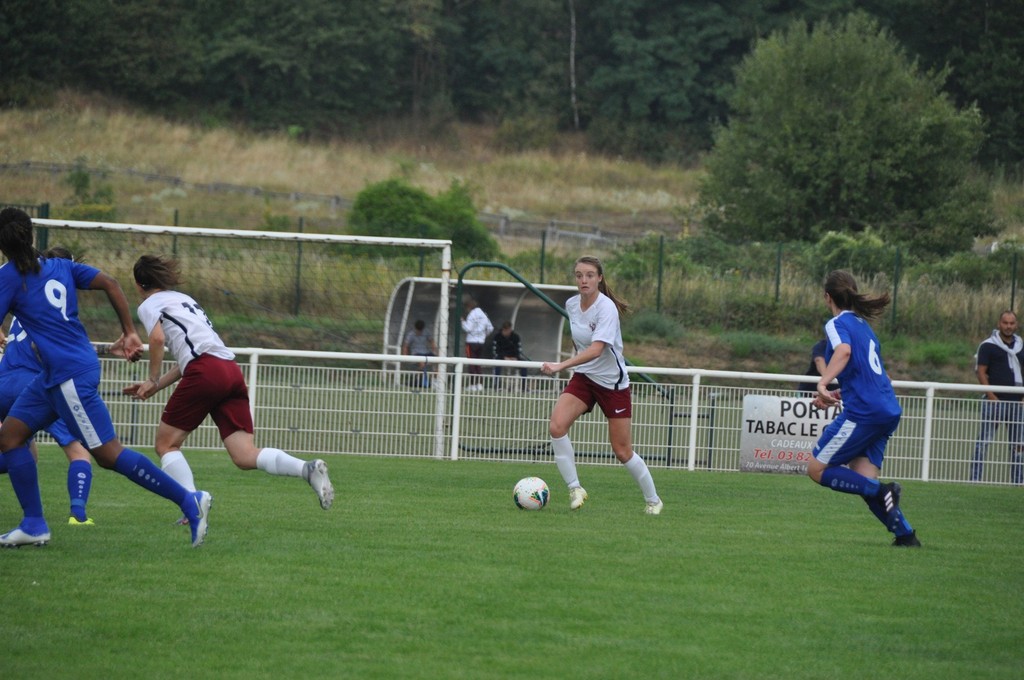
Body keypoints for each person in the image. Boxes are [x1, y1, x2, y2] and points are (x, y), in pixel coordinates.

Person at [0, 207, 211, 548]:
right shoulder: (60, 266)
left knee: (108, 454)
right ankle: (34, 523)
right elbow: (110, 283)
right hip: (55, 376)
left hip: (68, 377)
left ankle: (190, 500)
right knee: (10, 437)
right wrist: (128, 331)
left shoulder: (8, 276)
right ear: (31, 233)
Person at [122, 255, 335, 514]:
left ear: (138, 285)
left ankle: (193, 505)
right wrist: (157, 386)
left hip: (205, 371)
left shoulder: (149, 304)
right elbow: (188, 359)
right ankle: (306, 469)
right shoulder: (186, 300)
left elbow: (156, 339)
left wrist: (152, 378)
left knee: (166, 445)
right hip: (229, 370)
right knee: (244, 455)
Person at [540, 256, 663, 515]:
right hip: (584, 378)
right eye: (578, 275)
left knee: (621, 450)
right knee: (556, 426)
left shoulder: (606, 308)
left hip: (612, 384)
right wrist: (573, 368)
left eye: (589, 275)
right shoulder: (572, 304)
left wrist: (561, 366)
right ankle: (575, 488)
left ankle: (653, 500)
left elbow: (596, 349)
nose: (583, 280)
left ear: (599, 278)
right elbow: (581, 345)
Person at [807, 270, 919, 547]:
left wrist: (822, 383)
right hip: (887, 409)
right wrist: (835, 392)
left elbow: (843, 352)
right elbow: (876, 376)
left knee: (816, 469)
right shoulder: (864, 327)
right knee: (861, 477)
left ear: (827, 297)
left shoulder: (837, 323)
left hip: (864, 412)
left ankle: (884, 490)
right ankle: (906, 536)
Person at [0, 314, 96, 526]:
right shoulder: (52, 307)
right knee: (78, 452)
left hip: (3, 383)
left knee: (25, 455)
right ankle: (78, 515)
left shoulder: (18, 305)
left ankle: (33, 518)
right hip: (34, 386)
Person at [971, 310, 1024, 484]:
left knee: (1019, 446)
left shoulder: (1021, 346)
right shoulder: (987, 345)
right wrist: (991, 396)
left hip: (1018, 403)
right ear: (999, 323)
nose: (1008, 326)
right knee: (983, 442)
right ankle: (975, 481)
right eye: (1005, 323)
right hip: (994, 403)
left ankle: (1018, 482)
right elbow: (981, 371)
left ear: (1016, 325)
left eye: (1012, 323)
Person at [461, 297, 493, 391]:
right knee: (478, 363)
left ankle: (472, 384)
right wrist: (483, 335)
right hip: (481, 342)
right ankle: (479, 384)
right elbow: (490, 328)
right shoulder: (483, 314)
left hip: (471, 342)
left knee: (471, 362)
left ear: (468, 307)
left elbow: (468, 328)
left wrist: (462, 321)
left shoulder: (472, 314)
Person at [492, 321, 528, 391]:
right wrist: (504, 357)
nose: (506, 332)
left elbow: (519, 350)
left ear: (510, 329)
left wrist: (515, 357)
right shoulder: (497, 337)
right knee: (497, 363)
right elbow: (495, 351)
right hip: (502, 358)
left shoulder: (516, 337)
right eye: (505, 330)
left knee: (524, 364)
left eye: (508, 330)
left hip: (514, 358)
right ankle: (497, 385)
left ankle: (524, 386)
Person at [402, 319, 437, 388]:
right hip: (416, 353)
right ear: (415, 328)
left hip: (425, 353)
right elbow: (406, 346)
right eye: (418, 331)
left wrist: (434, 351)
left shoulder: (426, 332)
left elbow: (432, 341)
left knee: (439, 361)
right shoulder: (411, 334)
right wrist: (405, 356)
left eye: (421, 331)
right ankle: (419, 379)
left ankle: (435, 381)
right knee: (422, 362)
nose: (419, 332)